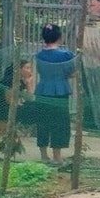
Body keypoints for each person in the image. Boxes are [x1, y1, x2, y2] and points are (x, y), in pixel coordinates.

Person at [29, 23, 76, 165]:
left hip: (42, 91)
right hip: (60, 91)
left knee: (43, 121)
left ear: (44, 38)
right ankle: (57, 157)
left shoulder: (39, 55)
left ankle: (44, 156)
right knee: (60, 123)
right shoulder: (67, 55)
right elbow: (73, 73)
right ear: (60, 37)